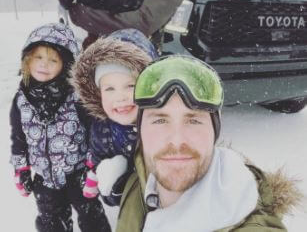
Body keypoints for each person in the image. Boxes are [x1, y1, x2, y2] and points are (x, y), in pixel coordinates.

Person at [115, 55, 301, 232]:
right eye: (160, 120)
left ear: (214, 133)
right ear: (140, 131)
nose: (177, 140)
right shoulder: (138, 182)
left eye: (194, 120)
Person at [9, 23, 111, 232]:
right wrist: (21, 168)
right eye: (38, 57)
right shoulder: (21, 100)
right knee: (50, 222)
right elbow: (18, 137)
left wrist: (93, 168)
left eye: (52, 59)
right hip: (45, 178)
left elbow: (95, 133)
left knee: (91, 217)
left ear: (65, 64)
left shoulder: (76, 97)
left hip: (78, 173)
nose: (44, 65)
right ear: (28, 59)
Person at [70, 28, 158, 205]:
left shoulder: (162, 123)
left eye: (130, 86)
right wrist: (113, 191)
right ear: (98, 94)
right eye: (110, 89)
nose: (120, 97)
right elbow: (98, 162)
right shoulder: (102, 129)